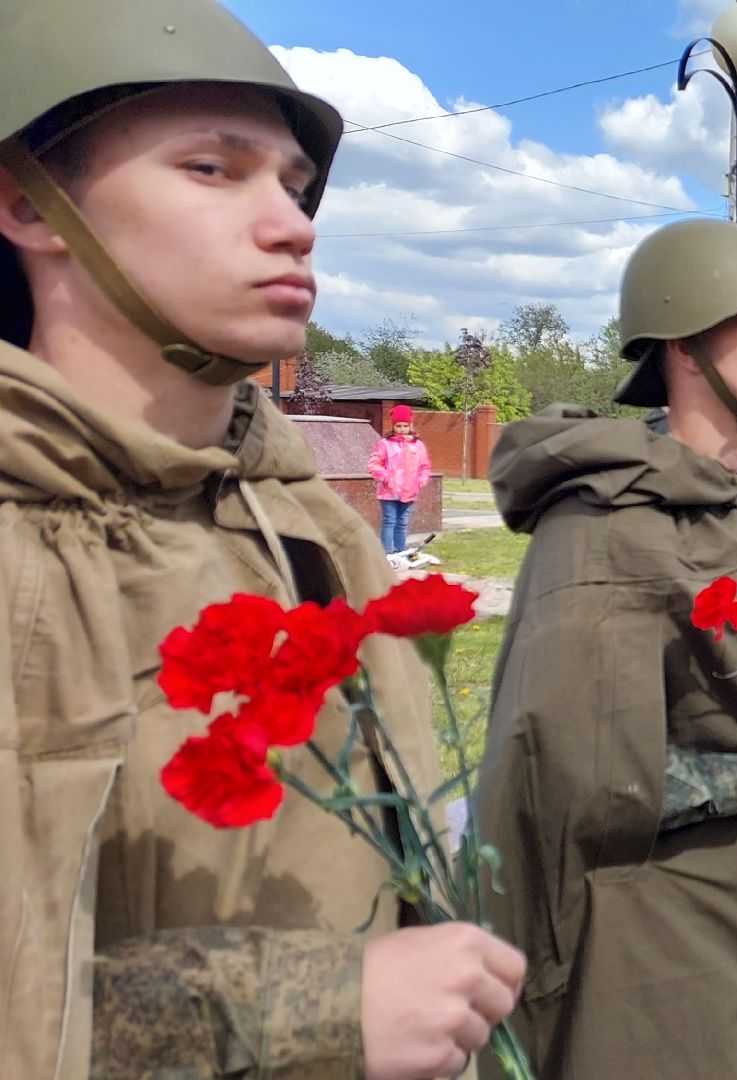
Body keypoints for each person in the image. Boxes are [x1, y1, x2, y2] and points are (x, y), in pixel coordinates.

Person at [0, 4, 527, 1076]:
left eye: (293, 185)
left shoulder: (304, 520)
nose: (293, 223)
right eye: (211, 168)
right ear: (26, 200)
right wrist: (315, 1009)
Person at [475, 220, 737, 1077]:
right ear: (685, 347)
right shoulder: (611, 524)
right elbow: (572, 769)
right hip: (665, 950)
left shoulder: (735, 502)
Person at [368, 403, 433, 556]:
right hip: (389, 492)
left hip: (409, 491)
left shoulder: (418, 446)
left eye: (405, 425)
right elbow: (373, 463)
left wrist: (420, 481)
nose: (402, 429)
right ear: (393, 426)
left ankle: (400, 550)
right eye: (398, 426)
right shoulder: (385, 444)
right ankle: (387, 552)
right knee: (389, 521)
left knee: (402, 523)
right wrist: (385, 477)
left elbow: (424, 466)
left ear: (410, 425)